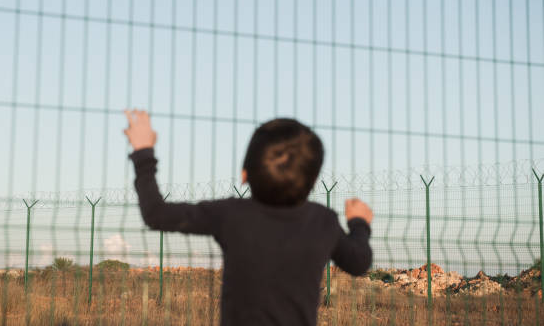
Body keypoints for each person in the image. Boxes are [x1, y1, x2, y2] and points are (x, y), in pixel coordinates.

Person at [124, 109, 373, 326]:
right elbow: (358, 262)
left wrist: (143, 152)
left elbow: (155, 213)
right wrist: (359, 223)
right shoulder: (323, 221)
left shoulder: (230, 214)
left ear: (244, 175)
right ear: (314, 181)